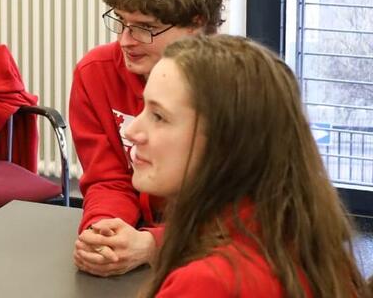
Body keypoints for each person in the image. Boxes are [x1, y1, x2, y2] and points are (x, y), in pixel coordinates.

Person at [125, 35, 366, 297]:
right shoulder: (308, 244)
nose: (132, 131)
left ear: (226, 141)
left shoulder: (209, 283)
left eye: (158, 116)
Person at [70, 0, 230, 276]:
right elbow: (108, 179)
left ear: (195, 25)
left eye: (145, 28)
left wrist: (154, 244)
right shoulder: (95, 73)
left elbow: (247, 214)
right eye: (121, 21)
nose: (125, 41)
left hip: (222, 255)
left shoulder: (236, 87)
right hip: (144, 237)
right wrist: (105, 232)